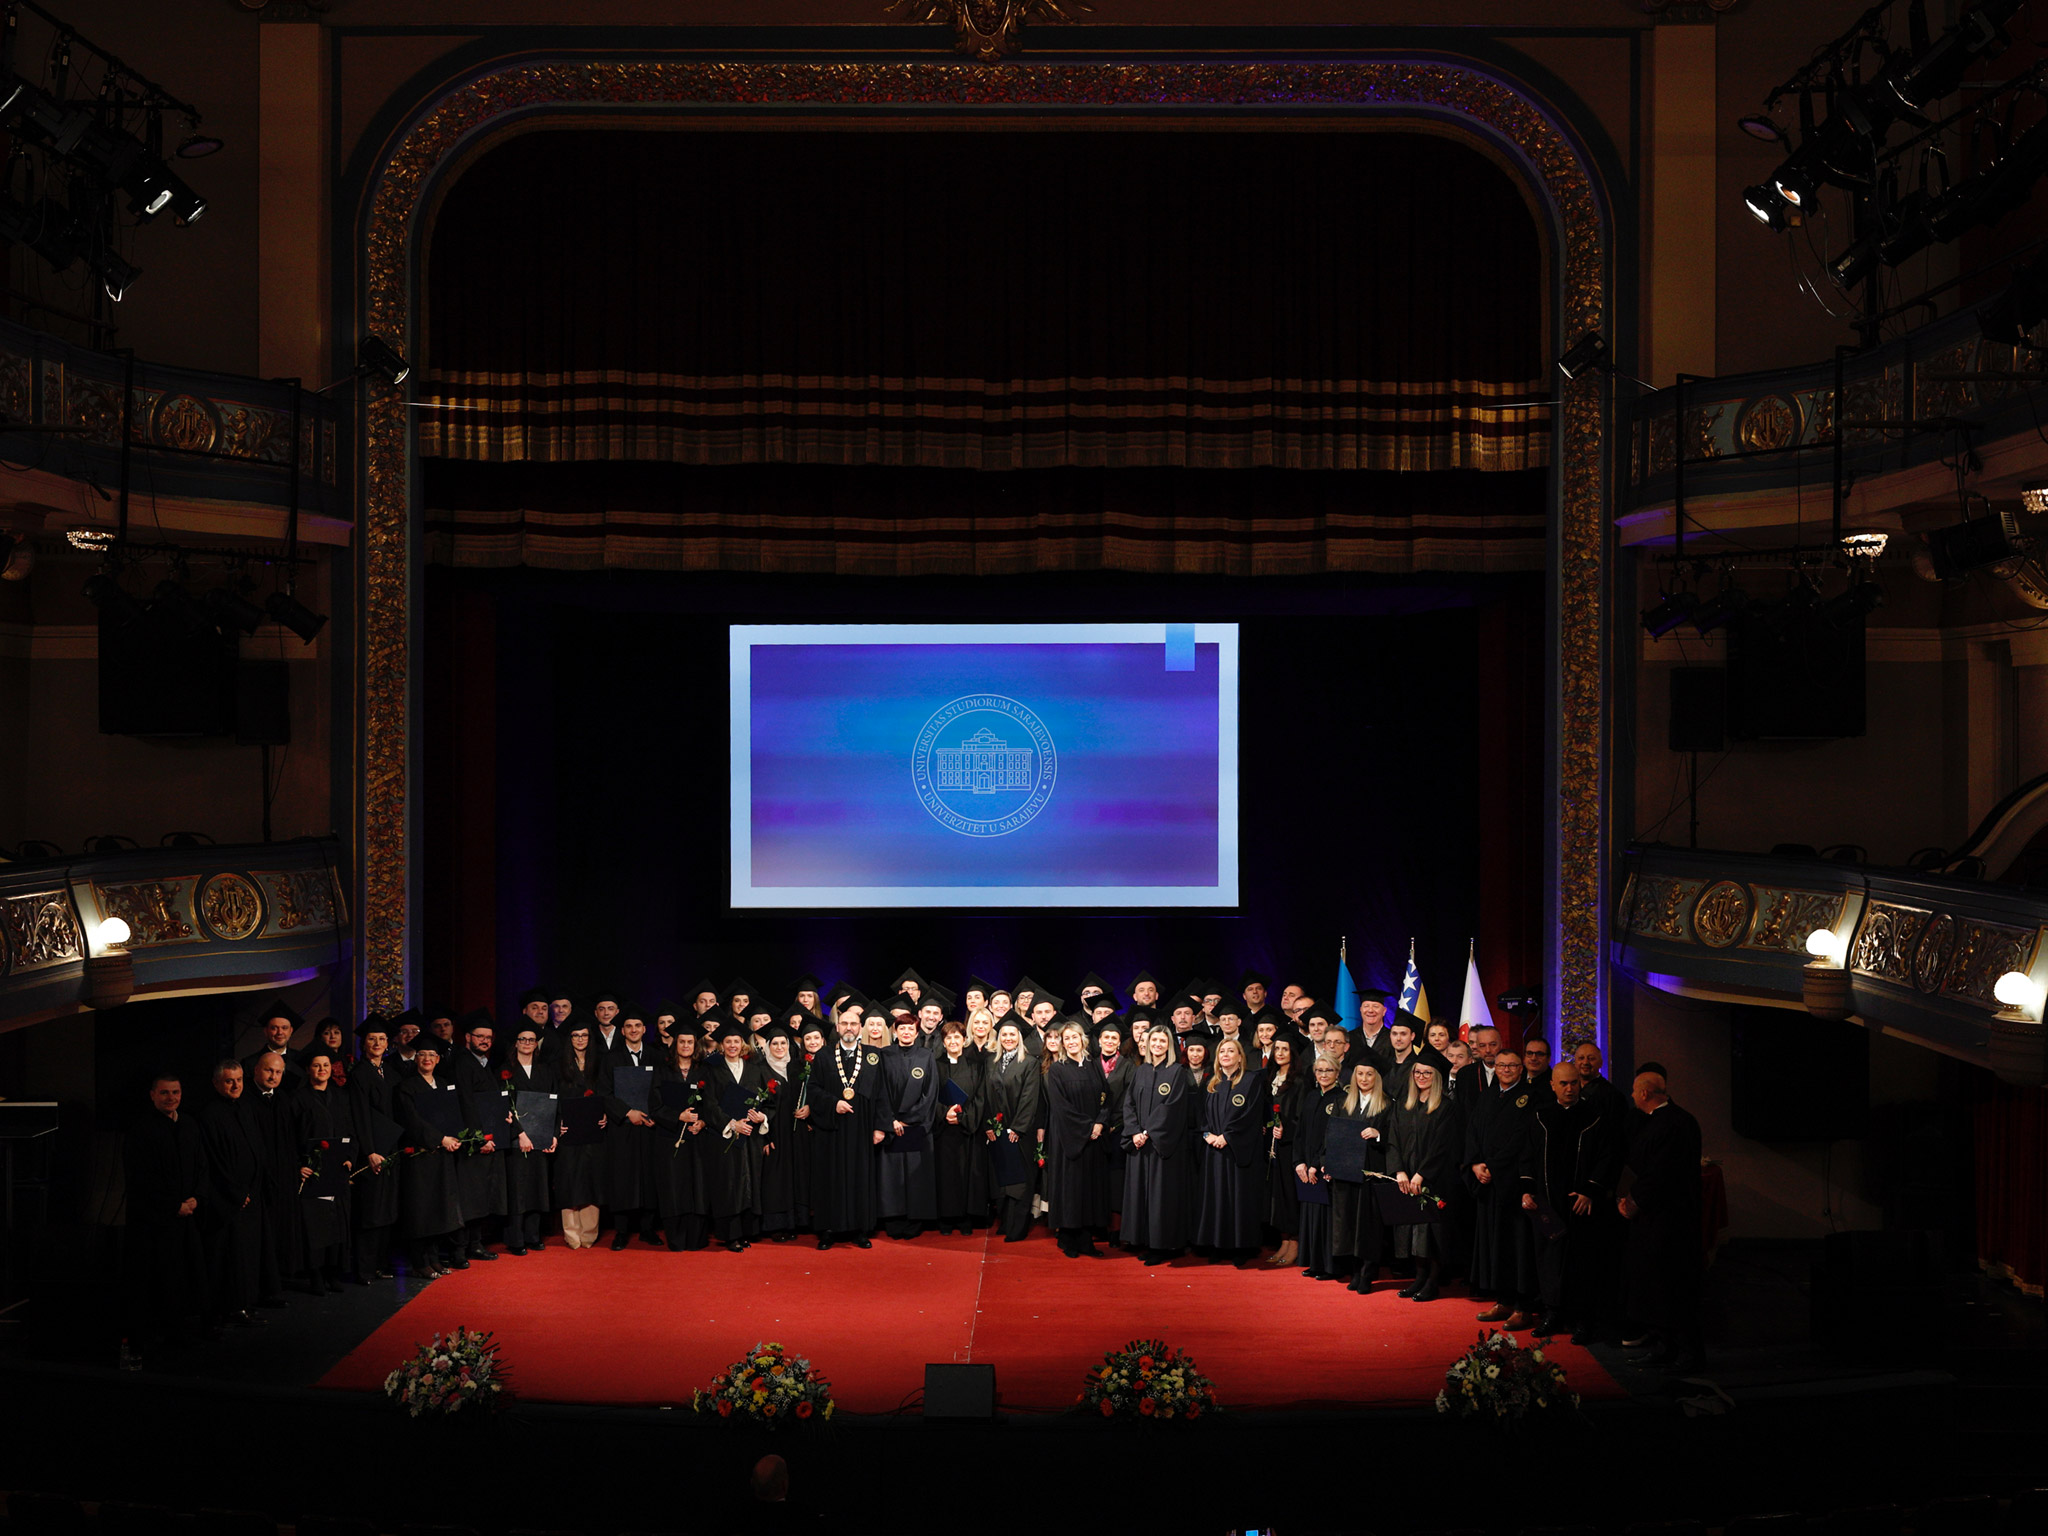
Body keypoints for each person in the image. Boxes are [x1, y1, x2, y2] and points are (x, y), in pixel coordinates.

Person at [1521, 1060, 1621, 1345]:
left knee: (1583, 1262)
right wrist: (1527, 1189)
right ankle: (1553, 1314)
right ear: (1552, 1085)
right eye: (1563, 1083)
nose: (1569, 1088)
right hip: (1548, 1203)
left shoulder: (1595, 1116)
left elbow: (1608, 1157)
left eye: (1574, 1083)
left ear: (1581, 1083)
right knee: (1549, 1261)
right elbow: (1527, 1154)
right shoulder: (1540, 1116)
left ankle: (1583, 1320)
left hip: (1581, 1205)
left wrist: (1590, 1191)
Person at [1619, 1067, 1705, 1372]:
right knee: (1656, 1286)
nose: (1631, 1096)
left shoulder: (1673, 1124)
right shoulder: (1667, 1121)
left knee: (1672, 1286)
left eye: (1633, 1091)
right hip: (1657, 1221)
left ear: (1644, 1093)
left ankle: (1686, 1353)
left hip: (1669, 1222)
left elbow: (1661, 1173)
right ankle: (1664, 1345)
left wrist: (1632, 1202)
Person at [123, 1075, 209, 1350]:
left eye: (175, 1092)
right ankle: (157, 1334)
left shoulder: (189, 1125)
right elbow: (141, 1179)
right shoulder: (141, 1131)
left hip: (188, 1216)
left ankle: (181, 1329)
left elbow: (202, 1165)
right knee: (160, 1277)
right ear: (152, 1095)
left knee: (185, 1276)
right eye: (164, 1093)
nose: (170, 1098)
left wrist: (197, 1197)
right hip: (156, 1221)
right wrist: (174, 1206)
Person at [1466, 1048, 1540, 1329]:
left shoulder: (1530, 1098)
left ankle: (1524, 1306)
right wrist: (1475, 1163)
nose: (1506, 1070)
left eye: (1512, 1065)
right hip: (1488, 1185)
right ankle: (1504, 1299)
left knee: (1518, 1247)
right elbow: (1471, 1132)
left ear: (1521, 1069)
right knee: (1497, 1245)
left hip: (1514, 1183)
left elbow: (1522, 1140)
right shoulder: (1487, 1097)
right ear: (1494, 1068)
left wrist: (1493, 1165)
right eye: (1501, 1065)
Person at [194, 1060, 267, 1328]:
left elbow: (256, 1149)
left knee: (246, 1255)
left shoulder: (246, 1108)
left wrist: (253, 1188)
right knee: (226, 1257)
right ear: (216, 1084)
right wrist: (237, 1193)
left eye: (238, 1080)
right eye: (228, 1081)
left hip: (250, 1196)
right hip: (227, 1201)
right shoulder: (211, 1115)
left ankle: (243, 1304)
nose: (235, 1085)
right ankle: (223, 1310)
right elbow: (214, 1160)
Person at [1386, 1060, 1462, 1302]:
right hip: (1408, 1177)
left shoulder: (1446, 1107)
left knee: (1432, 1230)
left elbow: (1443, 1146)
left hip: (1435, 1179)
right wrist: (1399, 1171)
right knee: (1413, 1229)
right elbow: (1393, 1139)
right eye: (1418, 1072)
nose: (1421, 1076)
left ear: (1436, 1076)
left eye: (1427, 1072)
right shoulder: (1404, 1105)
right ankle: (1419, 1277)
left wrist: (1422, 1174)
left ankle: (1433, 1280)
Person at [1121, 1022, 1197, 1264]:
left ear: (1169, 1045)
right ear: (1147, 1044)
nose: (1157, 1044)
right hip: (1140, 1144)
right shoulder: (1140, 1071)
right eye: (1154, 1040)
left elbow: (1171, 1109)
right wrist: (1134, 1131)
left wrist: (1148, 1132)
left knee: (1161, 1197)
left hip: (1162, 1147)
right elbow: (1128, 1104)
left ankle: (1163, 1246)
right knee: (1141, 1194)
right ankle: (1144, 1240)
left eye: (1162, 1041)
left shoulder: (1176, 1072)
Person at [811, 1004, 883, 1249]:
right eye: (845, 1023)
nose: (849, 1027)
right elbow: (813, 1090)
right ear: (837, 1027)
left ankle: (859, 1229)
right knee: (830, 1178)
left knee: (859, 1176)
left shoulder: (873, 1056)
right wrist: (834, 1104)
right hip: (832, 1129)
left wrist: (879, 1127)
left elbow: (882, 1094)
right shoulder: (823, 1056)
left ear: (860, 1028)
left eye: (854, 1024)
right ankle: (828, 1230)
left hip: (862, 1128)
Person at [396, 1040, 465, 1277]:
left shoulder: (444, 1085)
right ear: (415, 1059)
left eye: (431, 1054)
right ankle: (419, 1261)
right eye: (422, 1054)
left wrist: (455, 1137)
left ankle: (434, 1258)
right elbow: (412, 1121)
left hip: (442, 1156)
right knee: (420, 1210)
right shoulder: (406, 1087)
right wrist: (440, 1138)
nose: (427, 1058)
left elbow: (452, 1116)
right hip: (419, 1156)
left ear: (438, 1059)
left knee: (438, 1209)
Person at [1194, 1037, 1266, 1261]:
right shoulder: (1210, 1083)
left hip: (1238, 1152)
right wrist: (1208, 1135)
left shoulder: (1250, 1081)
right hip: (1213, 1151)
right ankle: (1217, 1245)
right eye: (1221, 1051)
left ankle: (1240, 1248)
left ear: (1239, 1056)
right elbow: (1200, 1115)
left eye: (1230, 1051)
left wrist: (1228, 1137)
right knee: (1215, 1197)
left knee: (1238, 1198)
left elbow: (1252, 1116)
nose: (1225, 1054)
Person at [1042, 1021, 1110, 1257]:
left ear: (1083, 1039)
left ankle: (1086, 1240)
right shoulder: (1058, 1069)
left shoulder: (1093, 1065)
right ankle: (1069, 1239)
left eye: (1075, 1037)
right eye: (1066, 1038)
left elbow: (1106, 1096)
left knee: (1088, 1189)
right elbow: (1061, 1108)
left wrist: (1100, 1122)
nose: (1071, 1042)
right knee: (1070, 1189)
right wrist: (1087, 1127)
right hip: (1068, 1139)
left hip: (1094, 1137)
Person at [702, 1020, 770, 1251]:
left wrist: (761, 1117)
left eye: (736, 1041)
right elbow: (709, 1104)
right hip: (725, 1136)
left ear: (743, 1044)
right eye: (728, 1041)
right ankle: (730, 1236)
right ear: (721, 1045)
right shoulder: (712, 1069)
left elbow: (765, 1101)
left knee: (749, 1182)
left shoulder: (754, 1069)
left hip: (750, 1136)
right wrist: (731, 1123)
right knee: (729, 1185)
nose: (732, 1045)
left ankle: (746, 1231)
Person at [600, 1010, 663, 1249]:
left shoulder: (656, 1056)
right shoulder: (611, 1058)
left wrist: (654, 1115)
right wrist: (628, 1113)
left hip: (650, 1126)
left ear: (645, 1029)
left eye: (638, 1025)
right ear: (623, 1030)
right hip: (622, 1128)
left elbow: (662, 1090)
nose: (634, 1029)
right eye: (629, 1026)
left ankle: (647, 1229)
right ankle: (621, 1231)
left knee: (649, 1177)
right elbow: (604, 1092)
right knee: (622, 1178)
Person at [449, 1011, 508, 1262]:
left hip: (488, 1139)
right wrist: (479, 1138)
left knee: (480, 1196)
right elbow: (466, 1104)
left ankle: (475, 1244)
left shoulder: (485, 1064)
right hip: (472, 1142)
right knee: (467, 1197)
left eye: (488, 1037)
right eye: (479, 1037)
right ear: (467, 1038)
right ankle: (459, 1250)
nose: (484, 1041)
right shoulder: (462, 1063)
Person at [295, 1049, 356, 1292]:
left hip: (338, 1169)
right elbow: (293, 1135)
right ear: (309, 1070)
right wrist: (298, 1165)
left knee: (337, 1222)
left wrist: (351, 1157)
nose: (322, 1070)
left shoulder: (341, 1096)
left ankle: (333, 1272)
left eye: (326, 1065)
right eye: (317, 1066)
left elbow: (351, 1130)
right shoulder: (298, 1099)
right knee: (317, 1225)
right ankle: (316, 1275)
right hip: (313, 1171)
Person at [346, 1017, 402, 1282]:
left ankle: (381, 1264)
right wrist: (368, 1151)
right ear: (363, 1043)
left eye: (381, 1039)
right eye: (371, 1039)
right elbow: (360, 1116)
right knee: (370, 1211)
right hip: (371, 1152)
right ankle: (364, 1269)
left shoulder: (391, 1073)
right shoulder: (358, 1075)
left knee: (387, 1210)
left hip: (391, 1148)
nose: (377, 1043)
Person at [877, 1011, 938, 1241]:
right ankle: (894, 1219)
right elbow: (879, 1091)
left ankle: (914, 1220)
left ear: (917, 1031)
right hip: (892, 1126)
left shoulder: (926, 1056)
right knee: (891, 1175)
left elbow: (930, 1094)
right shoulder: (885, 1055)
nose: (906, 1032)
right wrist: (890, 1120)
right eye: (901, 1028)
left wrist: (910, 1120)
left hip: (915, 1127)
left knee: (915, 1176)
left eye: (910, 1028)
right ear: (895, 1030)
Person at [246, 1052, 302, 1301]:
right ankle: (260, 1287)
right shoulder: (246, 1101)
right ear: (256, 1070)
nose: (273, 1076)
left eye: (278, 1072)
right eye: (269, 1070)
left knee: (281, 1231)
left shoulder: (283, 1100)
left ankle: (277, 1281)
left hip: (284, 1177)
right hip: (259, 1180)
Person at [1333, 1062, 1392, 1291]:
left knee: (1369, 1224)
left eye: (1369, 1074)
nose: (1364, 1078)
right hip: (1348, 1171)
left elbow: (1395, 1135)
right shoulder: (1344, 1102)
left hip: (1372, 1171)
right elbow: (1334, 1135)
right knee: (1349, 1222)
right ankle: (1355, 1270)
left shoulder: (1386, 1104)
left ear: (1376, 1077)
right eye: (1360, 1074)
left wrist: (1378, 1134)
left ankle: (1368, 1271)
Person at [651, 1030, 711, 1251]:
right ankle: (676, 1239)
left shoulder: (704, 1071)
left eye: (690, 1042)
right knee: (673, 1187)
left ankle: (696, 1239)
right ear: (675, 1044)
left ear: (696, 1045)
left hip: (697, 1139)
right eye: (682, 1041)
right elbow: (654, 1106)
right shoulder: (663, 1071)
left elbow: (712, 1104)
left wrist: (703, 1122)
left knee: (697, 1187)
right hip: (670, 1138)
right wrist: (678, 1117)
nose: (686, 1045)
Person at [983, 1020, 1041, 1242]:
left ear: (1020, 1038)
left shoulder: (1029, 1063)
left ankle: (1018, 1227)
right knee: (1004, 1178)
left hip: (1019, 1132)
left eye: (1012, 1034)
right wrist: (990, 1124)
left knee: (1021, 1180)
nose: (1008, 1038)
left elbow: (1030, 1098)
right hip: (998, 1131)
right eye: (1004, 1034)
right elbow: (987, 1095)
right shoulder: (992, 1062)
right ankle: (1006, 1223)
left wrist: (1017, 1127)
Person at [502, 1021, 557, 1255]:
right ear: (515, 1043)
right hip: (517, 1139)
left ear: (537, 1044)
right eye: (522, 1039)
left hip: (541, 1137)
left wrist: (554, 1135)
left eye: (531, 1040)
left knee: (537, 1187)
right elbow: (504, 1106)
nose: (527, 1043)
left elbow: (554, 1102)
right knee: (518, 1189)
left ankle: (534, 1236)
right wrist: (520, 1133)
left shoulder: (546, 1070)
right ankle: (516, 1239)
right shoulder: (505, 1070)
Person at [553, 1022, 607, 1249]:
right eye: (575, 1035)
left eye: (584, 1035)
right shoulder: (559, 1066)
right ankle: (572, 1233)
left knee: (591, 1180)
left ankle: (589, 1232)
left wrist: (606, 1114)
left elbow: (607, 1093)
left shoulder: (599, 1064)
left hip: (594, 1131)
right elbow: (552, 1097)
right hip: (569, 1133)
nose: (580, 1039)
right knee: (570, 1180)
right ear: (569, 1039)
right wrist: (558, 1124)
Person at [932, 1018, 988, 1234]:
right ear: (943, 1042)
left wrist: (964, 1117)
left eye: (957, 1037)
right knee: (946, 1175)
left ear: (965, 1040)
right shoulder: (935, 1065)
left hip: (967, 1132)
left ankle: (965, 1217)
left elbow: (981, 1097)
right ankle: (946, 1218)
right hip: (943, 1132)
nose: (953, 1041)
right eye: (949, 1038)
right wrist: (943, 1113)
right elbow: (928, 1096)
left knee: (968, 1174)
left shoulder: (976, 1066)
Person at [1293, 1053, 1344, 1280]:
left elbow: (1334, 1138)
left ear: (1337, 1073)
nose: (1324, 1074)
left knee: (1327, 1220)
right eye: (1320, 1070)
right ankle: (1314, 1263)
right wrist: (1299, 1162)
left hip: (1326, 1170)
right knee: (1310, 1217)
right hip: (1306, 1168)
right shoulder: (1311, 1097)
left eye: (1328, 1070)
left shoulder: (1341, 1099)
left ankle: (1330, 1267)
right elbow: (1300, 1132)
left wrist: (1316, 1164)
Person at [1263, 1034, 1305, 1268]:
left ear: (1293, 1053)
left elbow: (1300, 1116)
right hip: (1271, 1147)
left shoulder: (1298, 1081)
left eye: (1285, 1049)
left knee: (1289, 1194)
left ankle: (1295, 1242)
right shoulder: (1270, 1077)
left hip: (1289, 1147)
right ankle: (1284, 1240)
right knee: (1276, 1196)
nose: (1279, 1053)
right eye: (1276, 1048)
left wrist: (1285, 1130)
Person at [756, 1021, 801, 1240]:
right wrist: (764, 1136)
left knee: (791, 1176)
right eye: (775, 1044)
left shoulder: (795, 1068)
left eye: (783, 1043)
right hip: (772, 1134)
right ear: (768, 1046)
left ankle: (791, 1224)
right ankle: (774, 1226)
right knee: (773, 1179)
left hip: (793, 1134)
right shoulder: (760, 1070)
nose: (780, 1047)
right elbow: (758, 1106)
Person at [1095, 1019, 1134, 1228]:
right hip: (1095, 1129)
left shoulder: (1127, 1065)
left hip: (1118, 1129)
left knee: (1116, 1178)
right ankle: (1098, 1224)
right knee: (1097, 1178)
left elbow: (1129, 1098)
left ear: (1119, 1042)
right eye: (1106, 1037)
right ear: (1100, 1041)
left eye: (1114, 1038)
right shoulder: (1091, 1063)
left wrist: (1114, 1122)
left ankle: (1115, 1229)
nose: (1109, 1041)